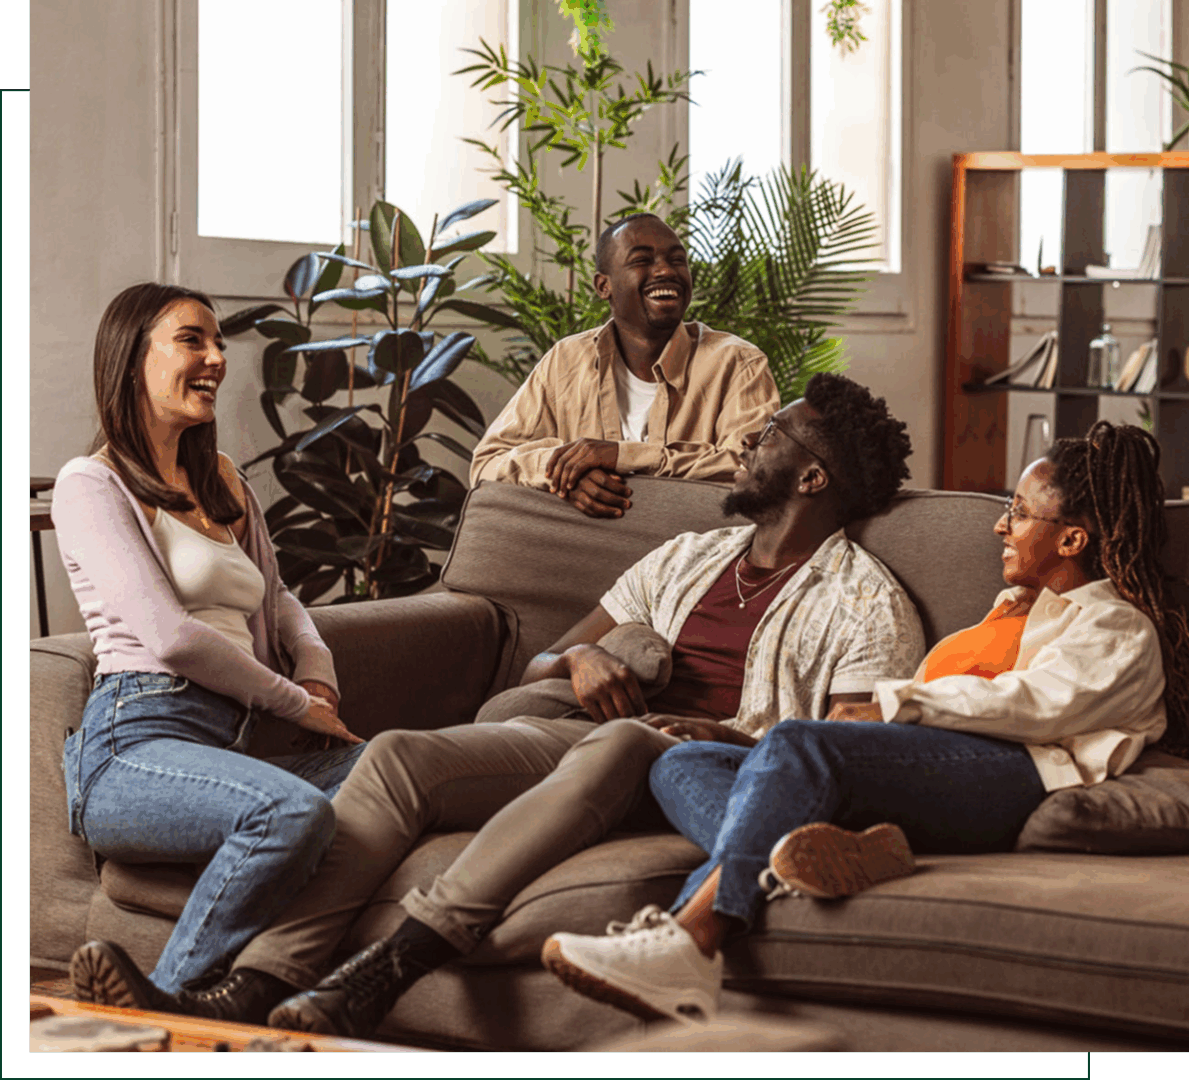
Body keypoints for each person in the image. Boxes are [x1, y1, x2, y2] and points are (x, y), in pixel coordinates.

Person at [70, 374, 924, 1040]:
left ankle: (386, 971)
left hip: (693, 762)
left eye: (771, 433)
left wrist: (727, 730)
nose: (750, 438)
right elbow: (549, 655)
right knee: (400, 753)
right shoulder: (687, 557)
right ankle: (252, 986)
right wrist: (584, 655)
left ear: (811, 475)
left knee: (625, 739)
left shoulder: (862, 600)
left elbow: (839, 749)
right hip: (576, 734)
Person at [542, 421, 1189, 1025]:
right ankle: (830, 856)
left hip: (1018, 777)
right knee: (682, 761)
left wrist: (894, 704)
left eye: (1017, 513)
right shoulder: (1014, 610)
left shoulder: (1115, 624)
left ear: (1071, 539)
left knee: (803, 741)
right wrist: (751, 742)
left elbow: (1038, 703)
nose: (1000, 528)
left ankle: (692, 937)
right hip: (935, 762)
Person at [59, 283, 367, 1007]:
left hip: (237, 746)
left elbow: (280, 599)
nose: (217, 359)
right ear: (132, 357)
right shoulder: (91, 484)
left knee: (394, 772)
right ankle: (169, 1002)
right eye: (192, 340)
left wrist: (319, 678)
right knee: (290, 813)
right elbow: (169, 637)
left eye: (218, 343)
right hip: (134, 746)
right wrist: (295, 704)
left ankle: (271, 994)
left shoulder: (222, 477)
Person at [469, 213, 780, 517]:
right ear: (604, 286)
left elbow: (757, 470)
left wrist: (623, 456)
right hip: (583, 550)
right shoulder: (566, 361)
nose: (665, 271)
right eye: (642, 261)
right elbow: (486, 463)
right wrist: (564, 473)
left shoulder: (738, 363)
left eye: (677, 260)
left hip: (691, 554)